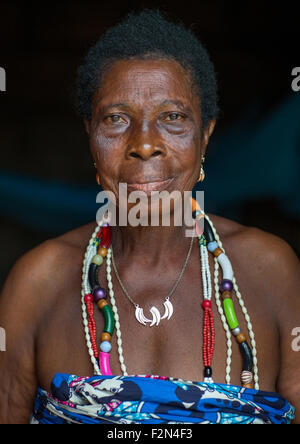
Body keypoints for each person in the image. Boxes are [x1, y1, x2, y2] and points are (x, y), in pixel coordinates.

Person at [0, 10, 299, 424]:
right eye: (116, 119)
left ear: (206, 133)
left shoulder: (271, 270)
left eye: (173, 117)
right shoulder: (37, 282)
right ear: (89, 134)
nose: (144, 144)